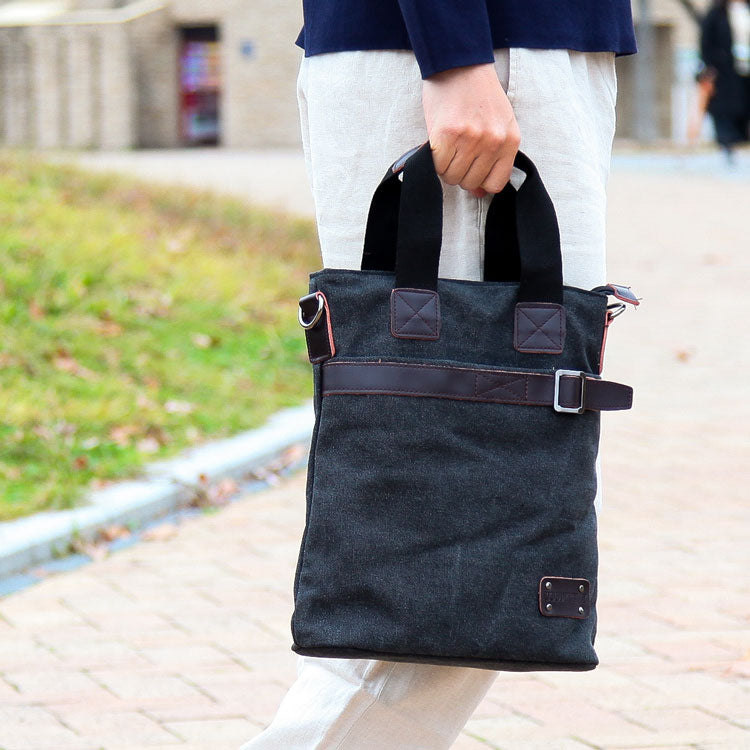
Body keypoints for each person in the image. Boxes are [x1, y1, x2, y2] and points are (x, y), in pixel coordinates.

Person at [240, 2, 636, 748]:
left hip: (527, 47)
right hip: (479, 49)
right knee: (459, 528)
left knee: (496, 506)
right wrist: (454, 58)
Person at [700, 0, 750, 160]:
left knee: (744, 105)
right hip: (724, 71)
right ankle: (727, 142)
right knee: (725, 107)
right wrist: (711, 65)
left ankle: (741, 139)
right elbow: (706, 42)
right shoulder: (716, 14)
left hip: (745, 70)